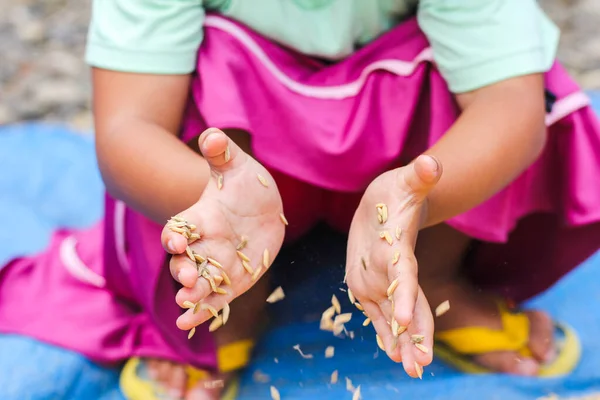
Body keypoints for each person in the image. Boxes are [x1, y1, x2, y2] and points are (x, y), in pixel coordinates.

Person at [1, 0, 599, 399]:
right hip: (242, 164)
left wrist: (408, 205)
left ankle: (434, 275)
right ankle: (231, 295)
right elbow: (129, 127)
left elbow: (510, 110)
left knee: (502, 79)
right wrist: (213, 201)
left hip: (395, 151)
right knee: (207, 66)